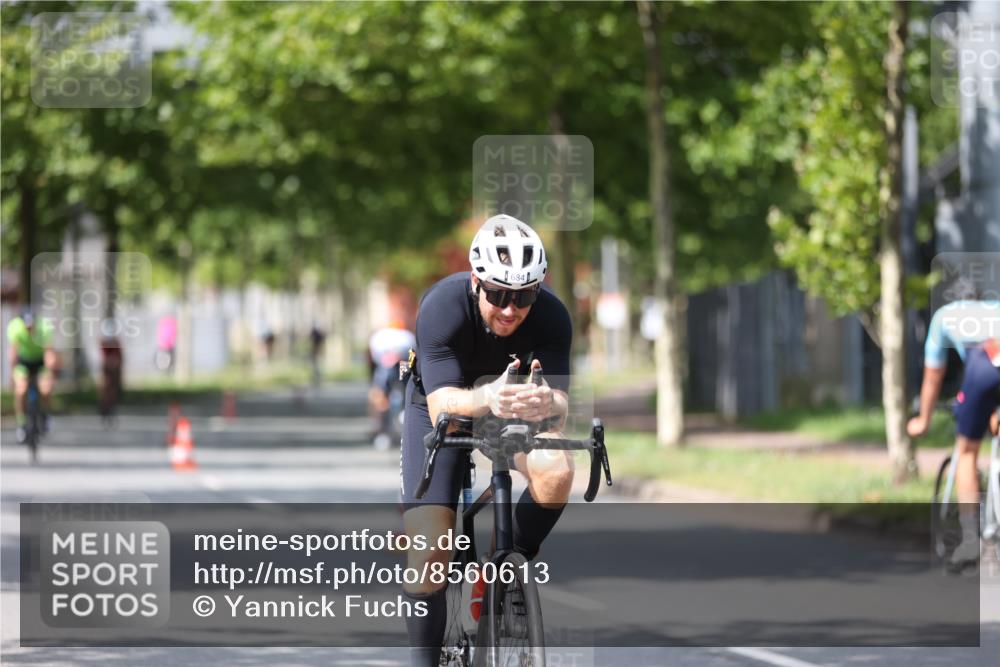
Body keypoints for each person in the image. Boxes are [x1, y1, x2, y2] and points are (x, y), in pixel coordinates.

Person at [399, 214, 572, 666]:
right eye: (497, 294)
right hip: (445, 406)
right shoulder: (442, 306)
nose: (510, 309)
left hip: (510, 406)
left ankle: (503, 570)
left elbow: (562, 403)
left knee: (557, 472)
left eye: (524, 296)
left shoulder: (553, 316)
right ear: (476, 282)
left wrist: (547, 402)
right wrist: (488, 396)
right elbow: (441, 407)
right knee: (430, 544)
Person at [908, 283, 1000, 567]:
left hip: (983, 367)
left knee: (967, 452)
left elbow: (934, 376)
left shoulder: (945, 317)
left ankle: (971, 541)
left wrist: (923, 420)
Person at [6, 308, 58, 443]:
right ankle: (22, 423)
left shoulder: (44, 328)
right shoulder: (15, 328)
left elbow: (49, 353)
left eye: (32, 326)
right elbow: (13, 354)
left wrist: (50, 373)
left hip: (40, 362)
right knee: (21, 390)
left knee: (45, 389)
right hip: (23, 362)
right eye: (27, 327)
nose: (30, 329)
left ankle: (45, 416)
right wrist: (12, 375)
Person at [368, 318, 416, 449]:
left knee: (380, 396)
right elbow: (413, 355)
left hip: (387, 366)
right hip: (402, 365)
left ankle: (382, 429)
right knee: (407, 392)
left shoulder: (380, 337)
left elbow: (374, 357)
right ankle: (401, 416)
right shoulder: (408, 336)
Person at [98, 318, 124, 422]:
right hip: (107, 369)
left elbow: (120, 356)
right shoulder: (103, 342)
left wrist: (116, 363)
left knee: (113, 390)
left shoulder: (116, 342)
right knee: (106, 389)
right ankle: (104, 408)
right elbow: (104, 355)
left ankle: (112, 408)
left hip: (115, 369)